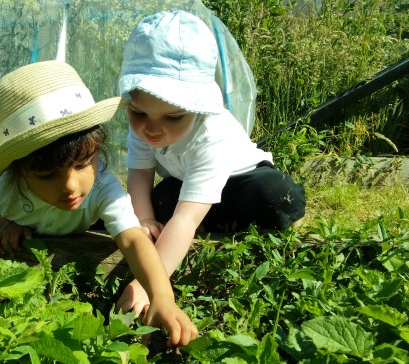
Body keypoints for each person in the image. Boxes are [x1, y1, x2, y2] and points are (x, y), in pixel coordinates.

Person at [0, 60, 198, 347]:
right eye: (47, 174)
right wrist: (7, 224)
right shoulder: (4, 187)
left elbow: (132, 240)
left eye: (81, 164)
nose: (70, 186)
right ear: (18, 171)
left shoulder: (102, 187)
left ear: (97, 151)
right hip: (8, 220)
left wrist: (162, 297)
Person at [115, 10, 306, 313]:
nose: (151, 128)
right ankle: (205, 225)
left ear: (197, 107)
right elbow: (139, 173)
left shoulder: (211, 135)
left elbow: (185, 217)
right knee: (157, 201)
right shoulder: (144, 125)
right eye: (138, 113)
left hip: (239, 181)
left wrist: (150, 284)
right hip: (187, 185)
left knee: (274, 194)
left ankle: (276, 216)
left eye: (173, 117)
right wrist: (143, 220)